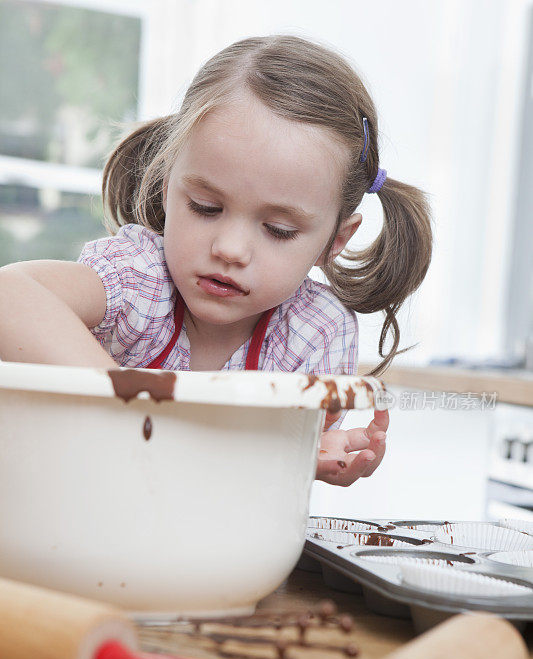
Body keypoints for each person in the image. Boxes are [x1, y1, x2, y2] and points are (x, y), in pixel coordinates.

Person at [0, 34, 432, 487]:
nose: (230, 248)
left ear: (334, 241)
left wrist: (301, 456)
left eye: (278, 230)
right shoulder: (139, 279)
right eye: (206, 207)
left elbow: (254, 481)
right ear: (167, 188)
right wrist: (131, 411)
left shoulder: (315, 333)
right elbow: (10, 294)